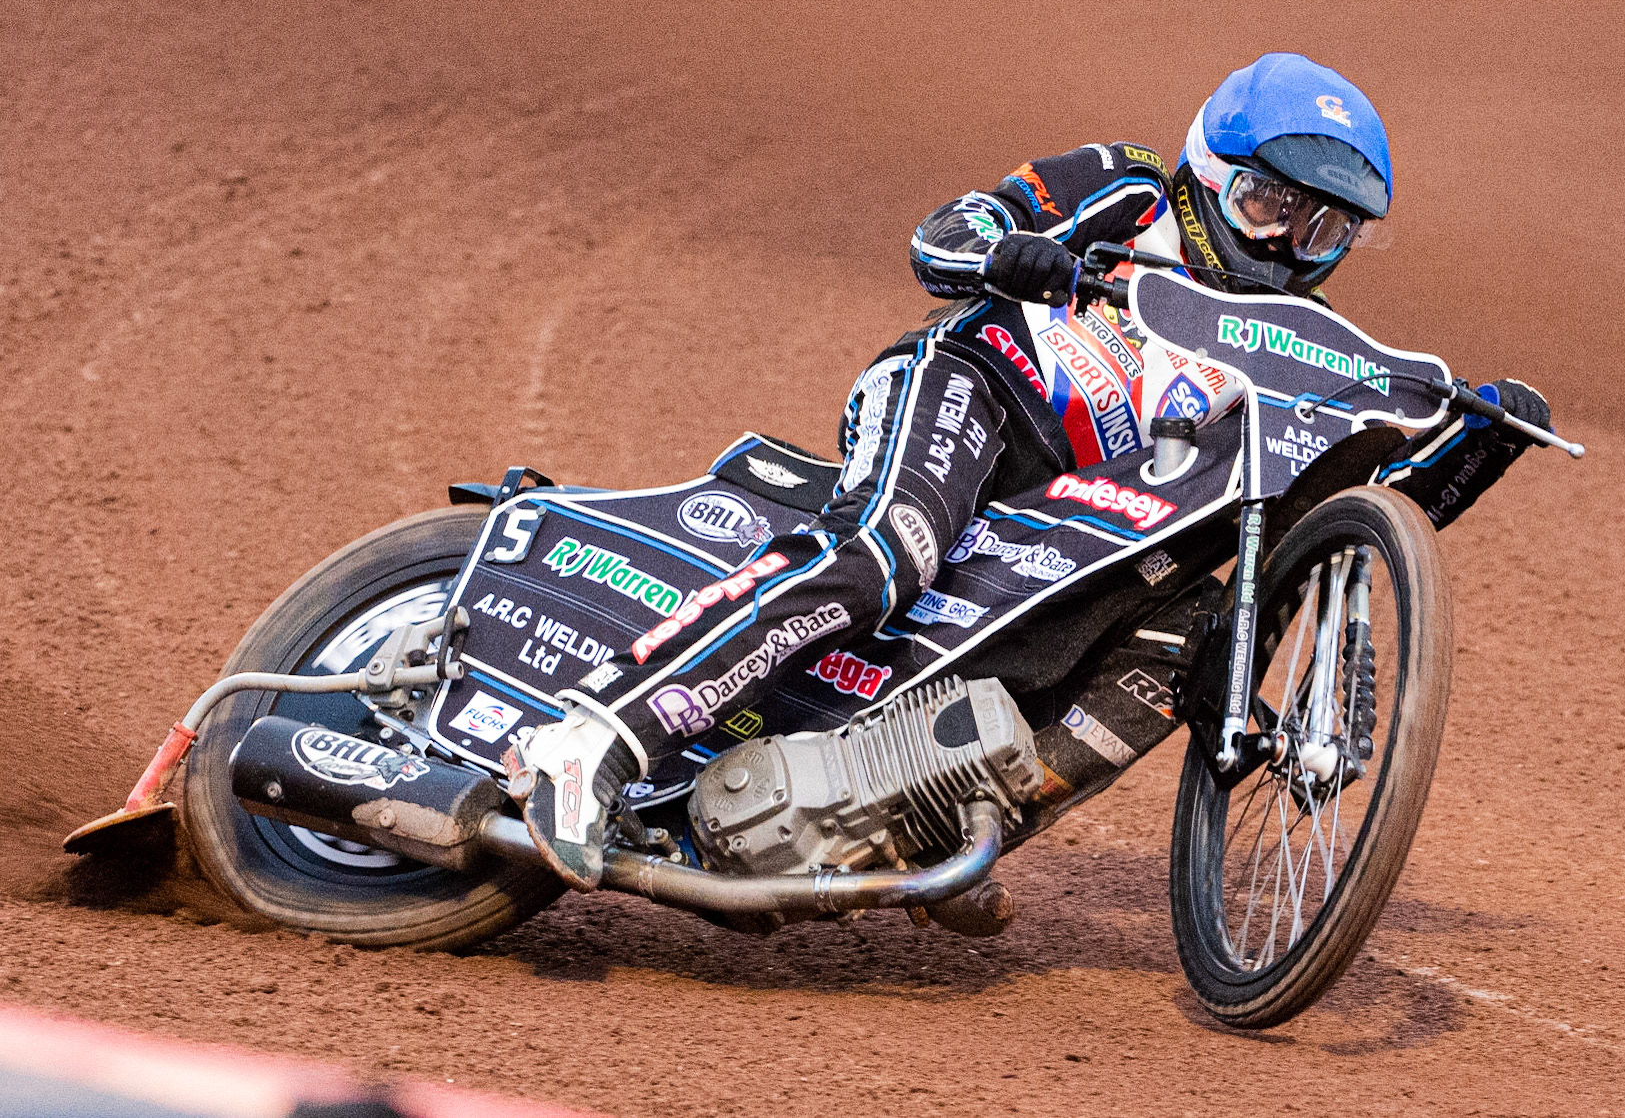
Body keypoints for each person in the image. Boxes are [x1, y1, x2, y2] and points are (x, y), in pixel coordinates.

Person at [504, 51, 1552, 890]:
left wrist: (1480, 444)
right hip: (976, 386)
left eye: (1324, 229)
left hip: (1076, 513)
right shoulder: (1131, 186)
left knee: (1186, 639)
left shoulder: (1299, 346)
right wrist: (1012, 254)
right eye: (1271, 206)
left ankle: (928, 823)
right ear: (1212, 170)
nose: (1288, 246)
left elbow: (1352, 519)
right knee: (889, 548)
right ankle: (595, 740)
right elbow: (945, 234)